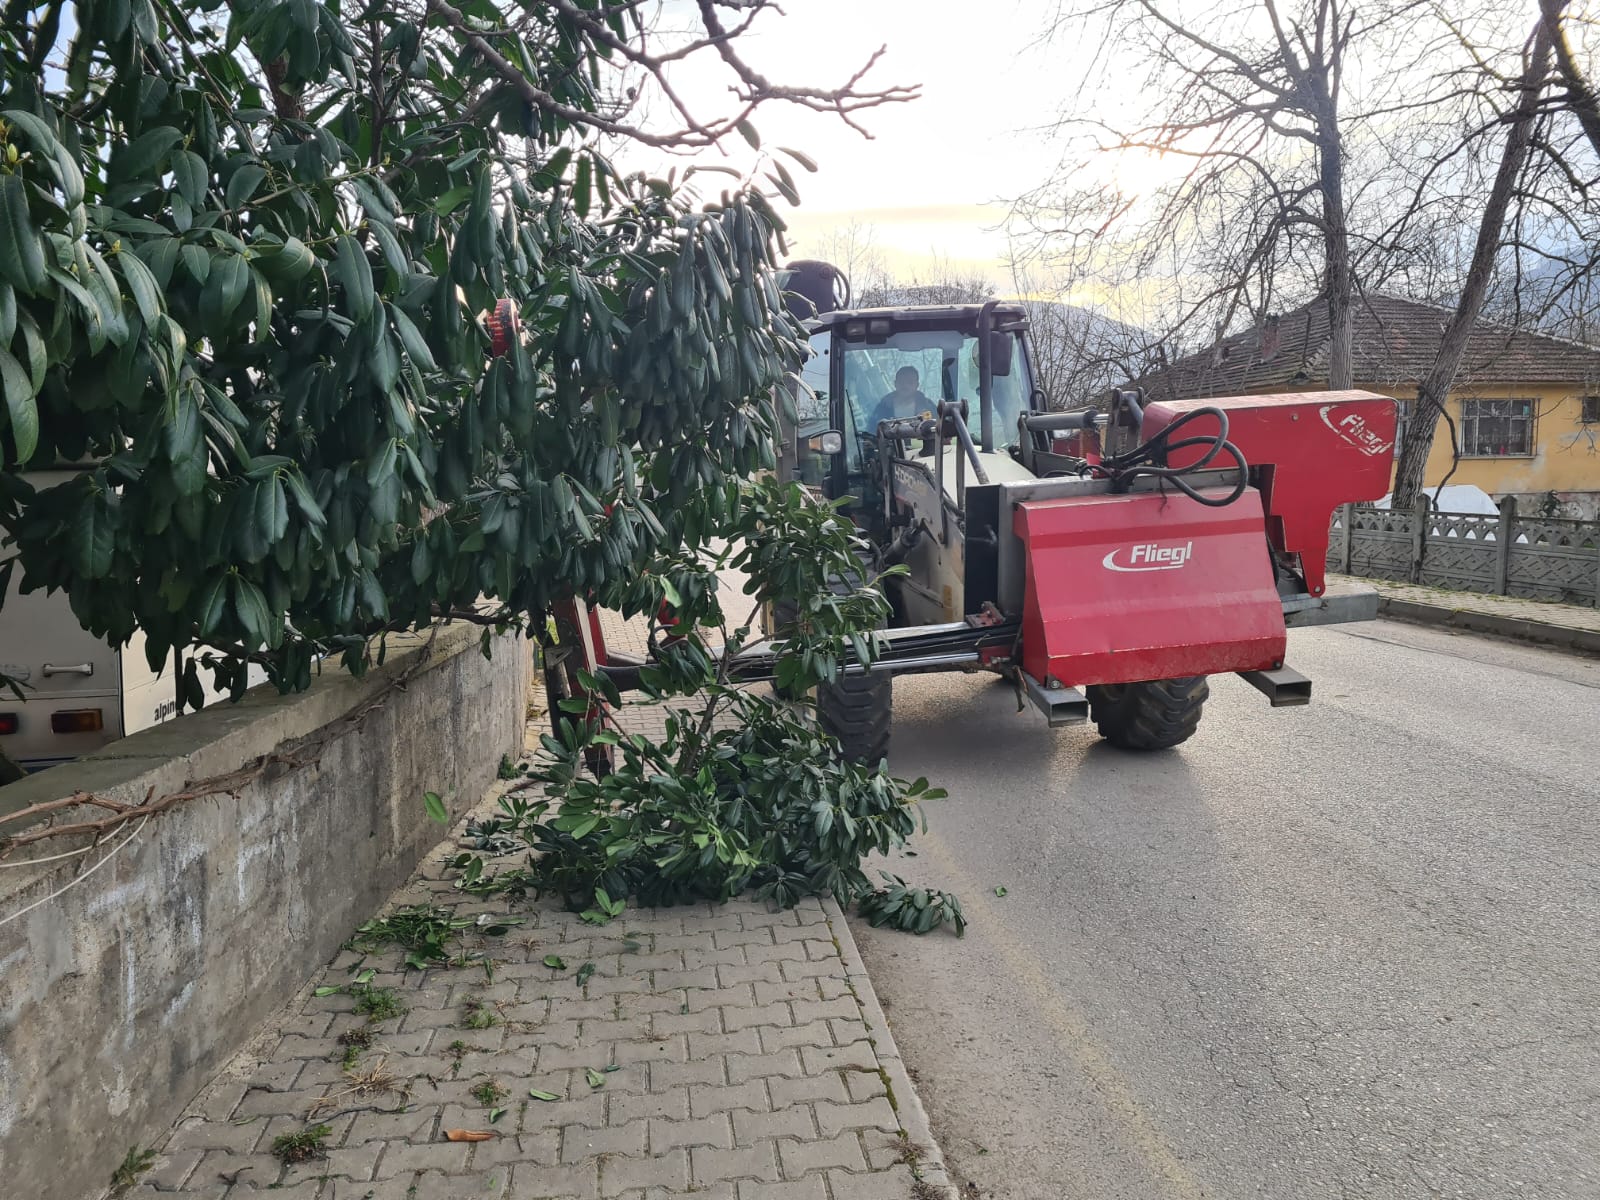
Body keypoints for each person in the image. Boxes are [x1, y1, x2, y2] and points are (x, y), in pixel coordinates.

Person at [867, 365, 933, 432]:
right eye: (901, 382)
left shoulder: (928, 407)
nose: (905, 385)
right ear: (895, 384)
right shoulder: (883, 407)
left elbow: (938, 431)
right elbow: (872, 431)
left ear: (917, 385)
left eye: (910, 382)